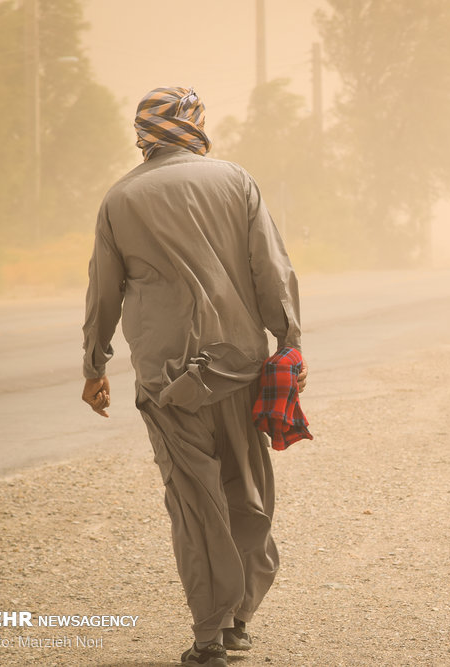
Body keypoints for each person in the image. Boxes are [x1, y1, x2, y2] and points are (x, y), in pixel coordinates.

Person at [80, 86, 306, 667]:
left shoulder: (120, 198)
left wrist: (94, 365)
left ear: (144, 132)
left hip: (166, 379)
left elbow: (104, 291)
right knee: (247, 491)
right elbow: (272, 269)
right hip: (239, 365)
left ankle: (209, 635)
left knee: (193, 504)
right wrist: (290, 343)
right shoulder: (235, 181)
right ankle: (237, 620)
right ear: (196, 123)